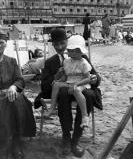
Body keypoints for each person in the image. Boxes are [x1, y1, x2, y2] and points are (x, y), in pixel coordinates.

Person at [34, 28, 102, 158]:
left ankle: (75, 139)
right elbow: (44, 86)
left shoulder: (81, 56)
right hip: (63, 92)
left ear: (67, 41)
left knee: (88, 94)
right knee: (64, 92)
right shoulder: (50, 62)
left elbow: (96, 77)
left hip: (81, 89)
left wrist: (94, 79)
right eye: (56, 44)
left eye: (62, 43)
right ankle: (66, 136)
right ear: (52, 45)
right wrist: (56, 76)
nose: (60, 47)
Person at [0, 30, 36, 158]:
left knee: (16, 101)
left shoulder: (11, 61)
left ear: (5, 44)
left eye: (1, 42)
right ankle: (4, 143)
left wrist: (13, 87)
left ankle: (16, 141)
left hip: (10, 93)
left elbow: (20, 79)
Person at [44, 35, 92, 128]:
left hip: (81, 82)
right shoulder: (66, 62)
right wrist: (59, 79)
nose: (72, 53)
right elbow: (66, 76)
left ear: (80, 52)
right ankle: (52, 108)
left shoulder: (84, 63)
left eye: (75, 51)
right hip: (69, 82)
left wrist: (76, 84)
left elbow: (88, 78)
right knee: (56, 85)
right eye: (70, 51)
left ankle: (85, 116)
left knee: (76, 90)